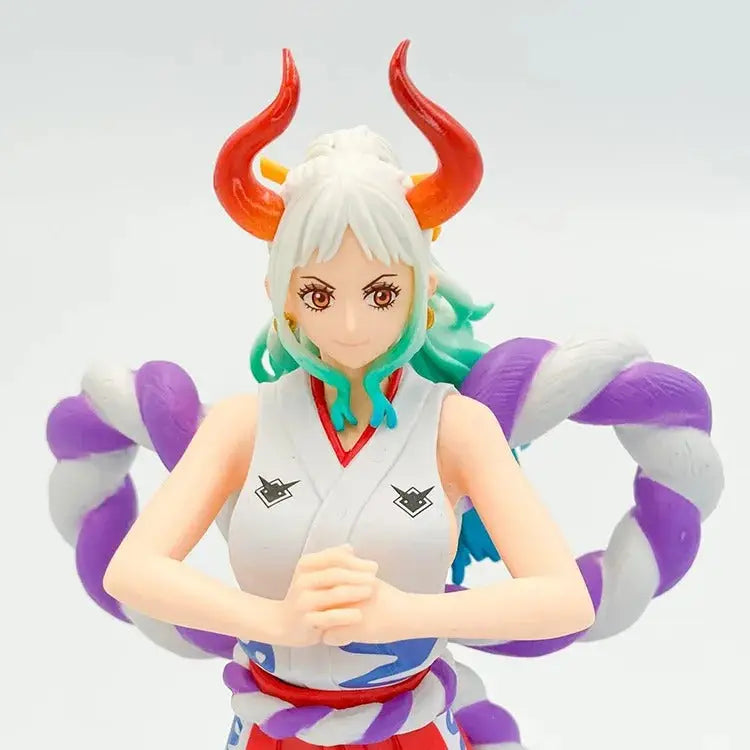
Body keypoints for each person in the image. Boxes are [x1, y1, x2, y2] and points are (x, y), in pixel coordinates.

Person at [46, 40, 723, 750]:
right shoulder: (244, 424)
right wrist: (275, 620)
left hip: (414, 728)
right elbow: (134, 570)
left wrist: (405, 613)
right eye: (318, 294)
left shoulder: (456, 428)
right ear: (279, 295)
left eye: (379, 293)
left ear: (421, 290)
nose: (349, 324)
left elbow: (561, 600)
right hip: (270, 729)